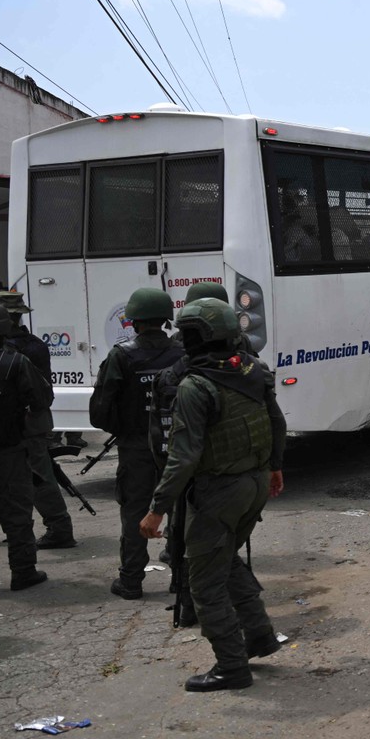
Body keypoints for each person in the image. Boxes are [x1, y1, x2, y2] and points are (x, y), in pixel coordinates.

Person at [139, 299, 285, 690]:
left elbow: (183, 457)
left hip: (220, 490)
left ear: (197, 337)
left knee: (203, 582)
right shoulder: (253, 370)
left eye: (185, 332)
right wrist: (274, 466)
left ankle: (232, 667)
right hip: (253, 484)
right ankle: (260, 636)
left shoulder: (195, 385)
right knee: (225, 560)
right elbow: (276, 422)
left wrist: (156, 510)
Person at [90, 288, 184, 600]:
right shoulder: (182, 356)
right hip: (176, 446)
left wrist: (126, 430)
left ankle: (131, 581)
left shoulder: (121, 355)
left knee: (134, 512)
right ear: (165, 320)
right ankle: (180, 579)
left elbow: (100, 411)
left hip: (136, 448)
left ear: (133, 322)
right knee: (180, 509)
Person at [0, 292, 71, 549]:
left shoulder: (12, 350)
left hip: (21, 425)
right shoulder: (33, 344)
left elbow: (38, 395)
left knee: (36, 477)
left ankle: (59, 527)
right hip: (23, 424)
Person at [0, 301, 50, 591]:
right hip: (8, 450)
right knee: (16, 513)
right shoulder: (14, 362)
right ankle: (23, 571)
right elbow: (42, 400)